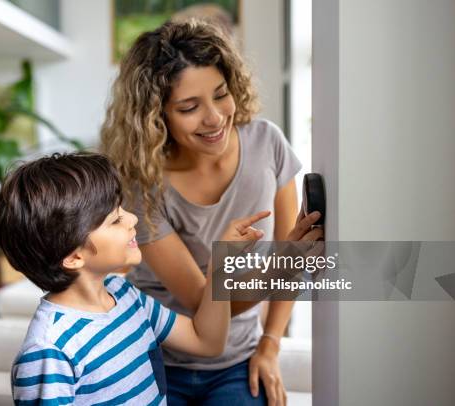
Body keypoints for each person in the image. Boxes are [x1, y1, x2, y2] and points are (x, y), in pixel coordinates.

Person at [101, 20, 323, 405]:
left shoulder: (267, 143)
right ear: (157, 116)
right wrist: (281, 265)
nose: (215, 117)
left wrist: (270, 345)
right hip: (153, 356)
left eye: (221, 95)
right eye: (189, 107)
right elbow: (205, 305)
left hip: (236, 360)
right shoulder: (142, 181)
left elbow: (292, 252)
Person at [0, 152, 266, 405]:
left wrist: (223, 265)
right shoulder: (49, 350)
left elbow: (207, 342)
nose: (132, 219)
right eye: (115, 220)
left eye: (122, 210)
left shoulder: (124, 294)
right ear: (74, 257)